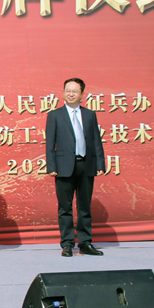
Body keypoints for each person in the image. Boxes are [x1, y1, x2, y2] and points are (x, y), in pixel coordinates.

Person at [45, 78, 105, 257]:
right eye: (68, 90)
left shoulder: (89, 115)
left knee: (84, 206)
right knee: (65, 208)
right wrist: (51, 166)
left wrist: (100, 163)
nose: (71, 94)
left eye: (75, 91)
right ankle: (67, 244)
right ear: (64, 93)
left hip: (86, 165)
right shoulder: (55, 115)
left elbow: (96, 140)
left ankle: (85, 243)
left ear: (82, 94)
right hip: (63, 167)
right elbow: (50, 144)